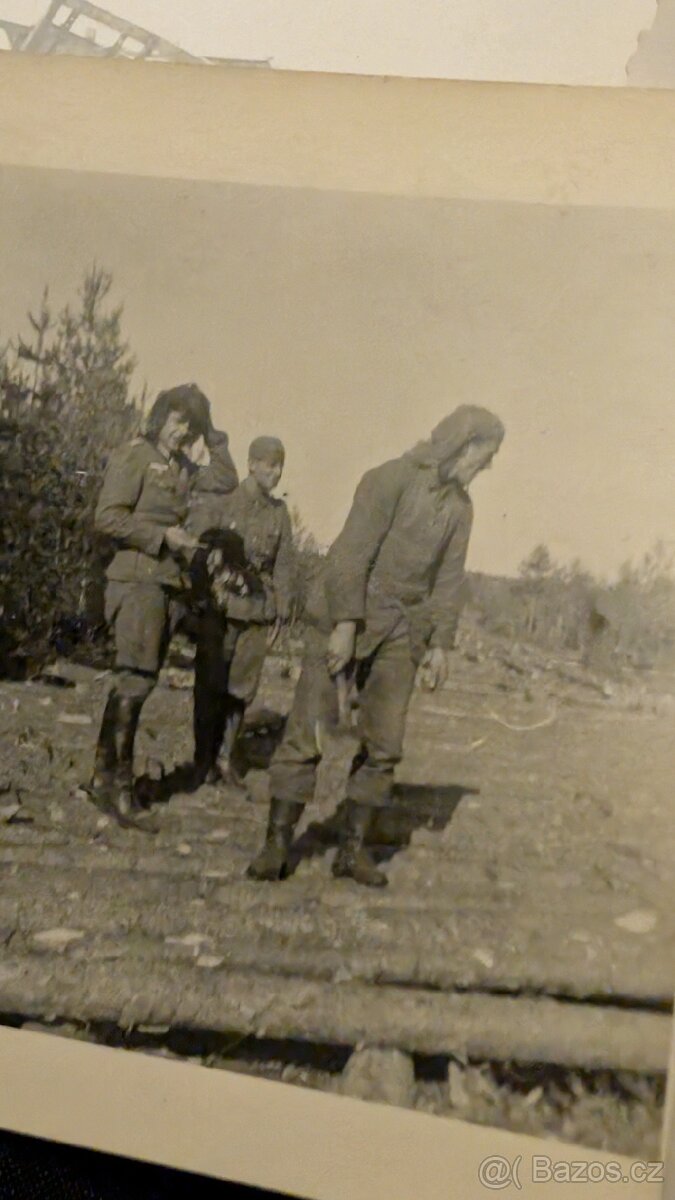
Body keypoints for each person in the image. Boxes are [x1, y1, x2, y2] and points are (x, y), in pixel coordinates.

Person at [246, 405, 505, 887]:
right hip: (346, 613)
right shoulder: (388, 480)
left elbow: (448, 582)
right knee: (310, 732)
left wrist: (440, 645)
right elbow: (349, 557)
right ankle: (276, 846)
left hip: (402, 629)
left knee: (385, 744)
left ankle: (351, 851)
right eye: (483, 457)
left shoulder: (459, 508)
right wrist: (345, 624)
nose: (484, 468)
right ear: (462, 446)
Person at [87, 384, 237, 832]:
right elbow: (107, 516)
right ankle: (120, 790)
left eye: (189, 425)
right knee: (134, 679)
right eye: (177, 420)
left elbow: (227, 479)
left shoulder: (184, 466)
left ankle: (102, 775)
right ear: (158, 418)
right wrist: (162, 537)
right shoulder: (135, 455)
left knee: (140, 679)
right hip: (136, 580)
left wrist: (212, 430)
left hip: (166, 585)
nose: (182, 431)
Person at [187, 435, 295, 789]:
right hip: (223, 607)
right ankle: (202, 760)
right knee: (211, 685)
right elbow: (202, 548)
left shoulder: (280, 513)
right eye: (269, 464)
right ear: (252, 464)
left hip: (257, 611)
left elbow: (284, 565)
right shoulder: (227, 502)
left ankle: (225, 758)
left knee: (241, 689)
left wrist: (281, 609)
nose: (276, 473)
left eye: (280, 465)